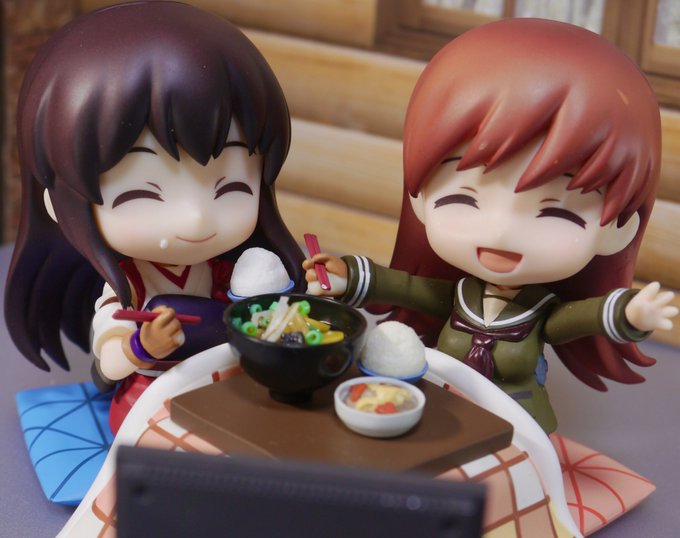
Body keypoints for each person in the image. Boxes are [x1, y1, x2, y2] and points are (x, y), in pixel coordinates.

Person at [304, 18, 677, 433]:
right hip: (442, 413)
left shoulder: (540, 313)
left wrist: (631, 312)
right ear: (420, 197)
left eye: (555, 213)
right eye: (464, 199)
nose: (501, 232)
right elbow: (404, 287)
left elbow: (583, 318)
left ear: (617, 228)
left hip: (517, 425)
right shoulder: (458, 296)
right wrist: (347, 277)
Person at [6, 1, 304, 433]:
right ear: (57, 202)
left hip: (228, 391)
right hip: (150, 404)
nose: (197, 219)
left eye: (230, 187)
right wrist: (142, 346)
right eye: (143, 194)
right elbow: (108, 364)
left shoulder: (229, 273)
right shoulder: (127, 289)